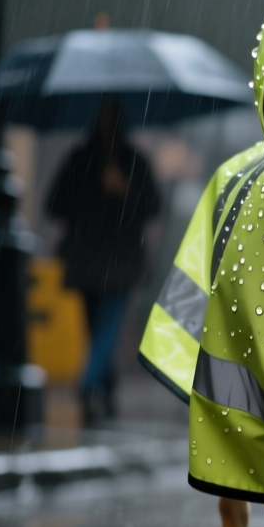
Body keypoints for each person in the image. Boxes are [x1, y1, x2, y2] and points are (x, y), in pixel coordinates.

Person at [46, 96, 161, 424]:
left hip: (117, 261)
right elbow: (55, 205)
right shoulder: (82, 160)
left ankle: (89, 383)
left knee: (106, 327)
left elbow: (152, 206)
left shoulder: (132, 161)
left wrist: (125, 191)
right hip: (90, 260)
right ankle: (102, 388)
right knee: (97, 330)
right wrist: (91, 191)